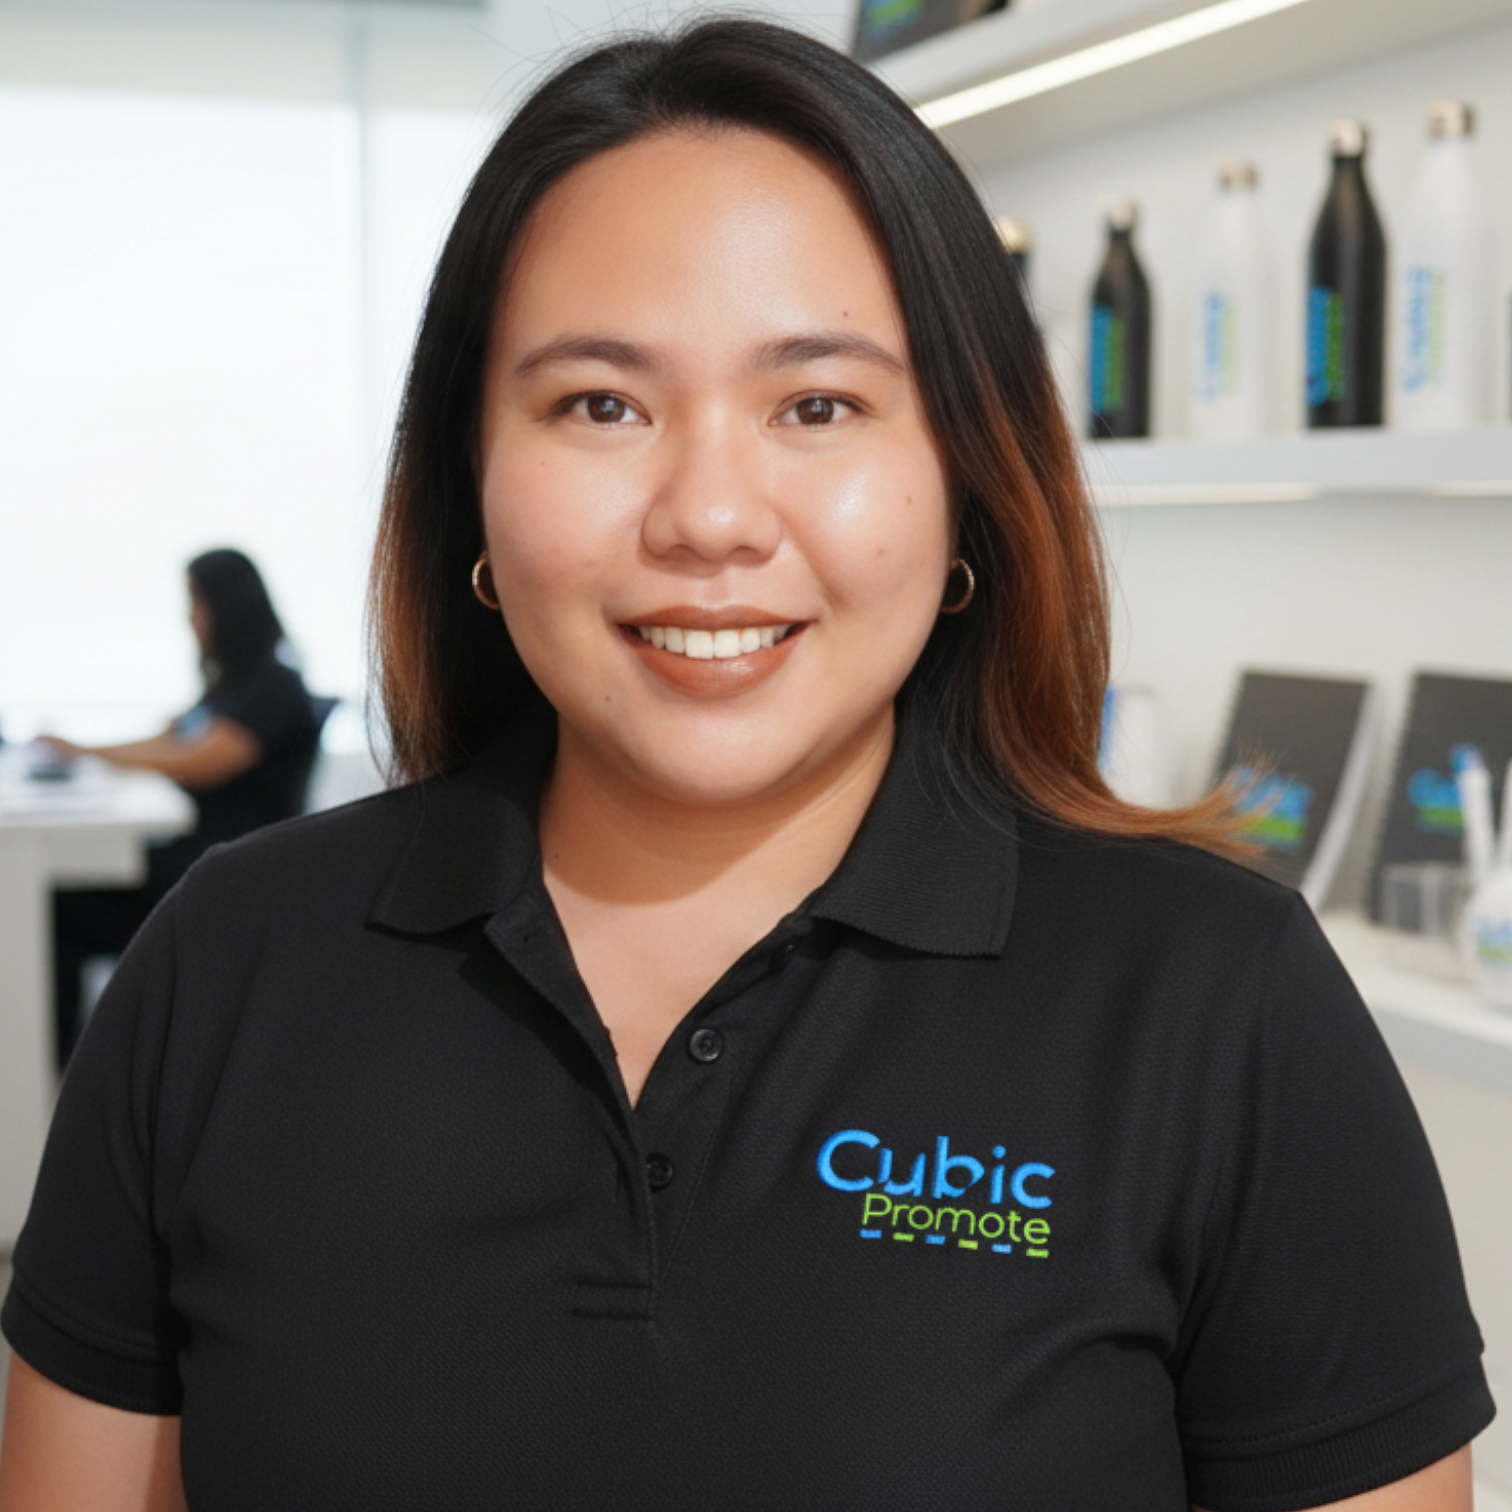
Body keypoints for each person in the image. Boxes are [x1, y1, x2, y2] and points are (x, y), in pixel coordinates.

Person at [0, 20, 1493, 1511]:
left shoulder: (1215, 1002)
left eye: (818, 405)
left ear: (964, 474)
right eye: (601, 404)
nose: (710, 517)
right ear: (470, 477)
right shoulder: (230, 963)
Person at [43, 547, 318, 1066]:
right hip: (195, 857)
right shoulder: (229, 685)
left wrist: (90, 755)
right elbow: (167, 740)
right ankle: (57, 1062)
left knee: (58, 910)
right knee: (58, 894)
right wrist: (80, 751)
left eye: (196, 602)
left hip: (223, 873)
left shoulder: (274, 684)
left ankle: (59, 1066)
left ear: (226, 605)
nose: (189, 618)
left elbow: (198, 762)